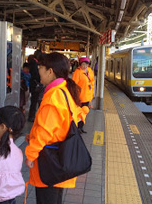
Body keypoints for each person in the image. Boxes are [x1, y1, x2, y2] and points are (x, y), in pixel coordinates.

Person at [25, 52, 89, 204]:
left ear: (50, 71)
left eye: (40, 67)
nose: (38, 70)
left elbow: (45, 131)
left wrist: (31, 155)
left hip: (49, 160)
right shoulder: (65, 90)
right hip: (58, 157)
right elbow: (79, 116)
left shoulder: (54, 96)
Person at [72, 57, 94, 133]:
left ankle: (81, 127)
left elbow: (92, 82)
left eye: (86, 64)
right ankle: (77, 128)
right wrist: (75, 95)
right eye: (83, 64)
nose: (85, 66)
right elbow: (74, 85)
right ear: (80, 64)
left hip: (88, 96)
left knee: (85, 112)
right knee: (79, 113)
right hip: (80, 97)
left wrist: (92, 93)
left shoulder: (90, 71)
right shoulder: (77, 73)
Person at [27, 50, 44, 122]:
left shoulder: (32, 63)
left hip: (33, 84)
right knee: (36, 100)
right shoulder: (34, 64)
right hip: (36, 85)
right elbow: (35, 75)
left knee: (34, 101)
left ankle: (32, 116)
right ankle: (34, 116)